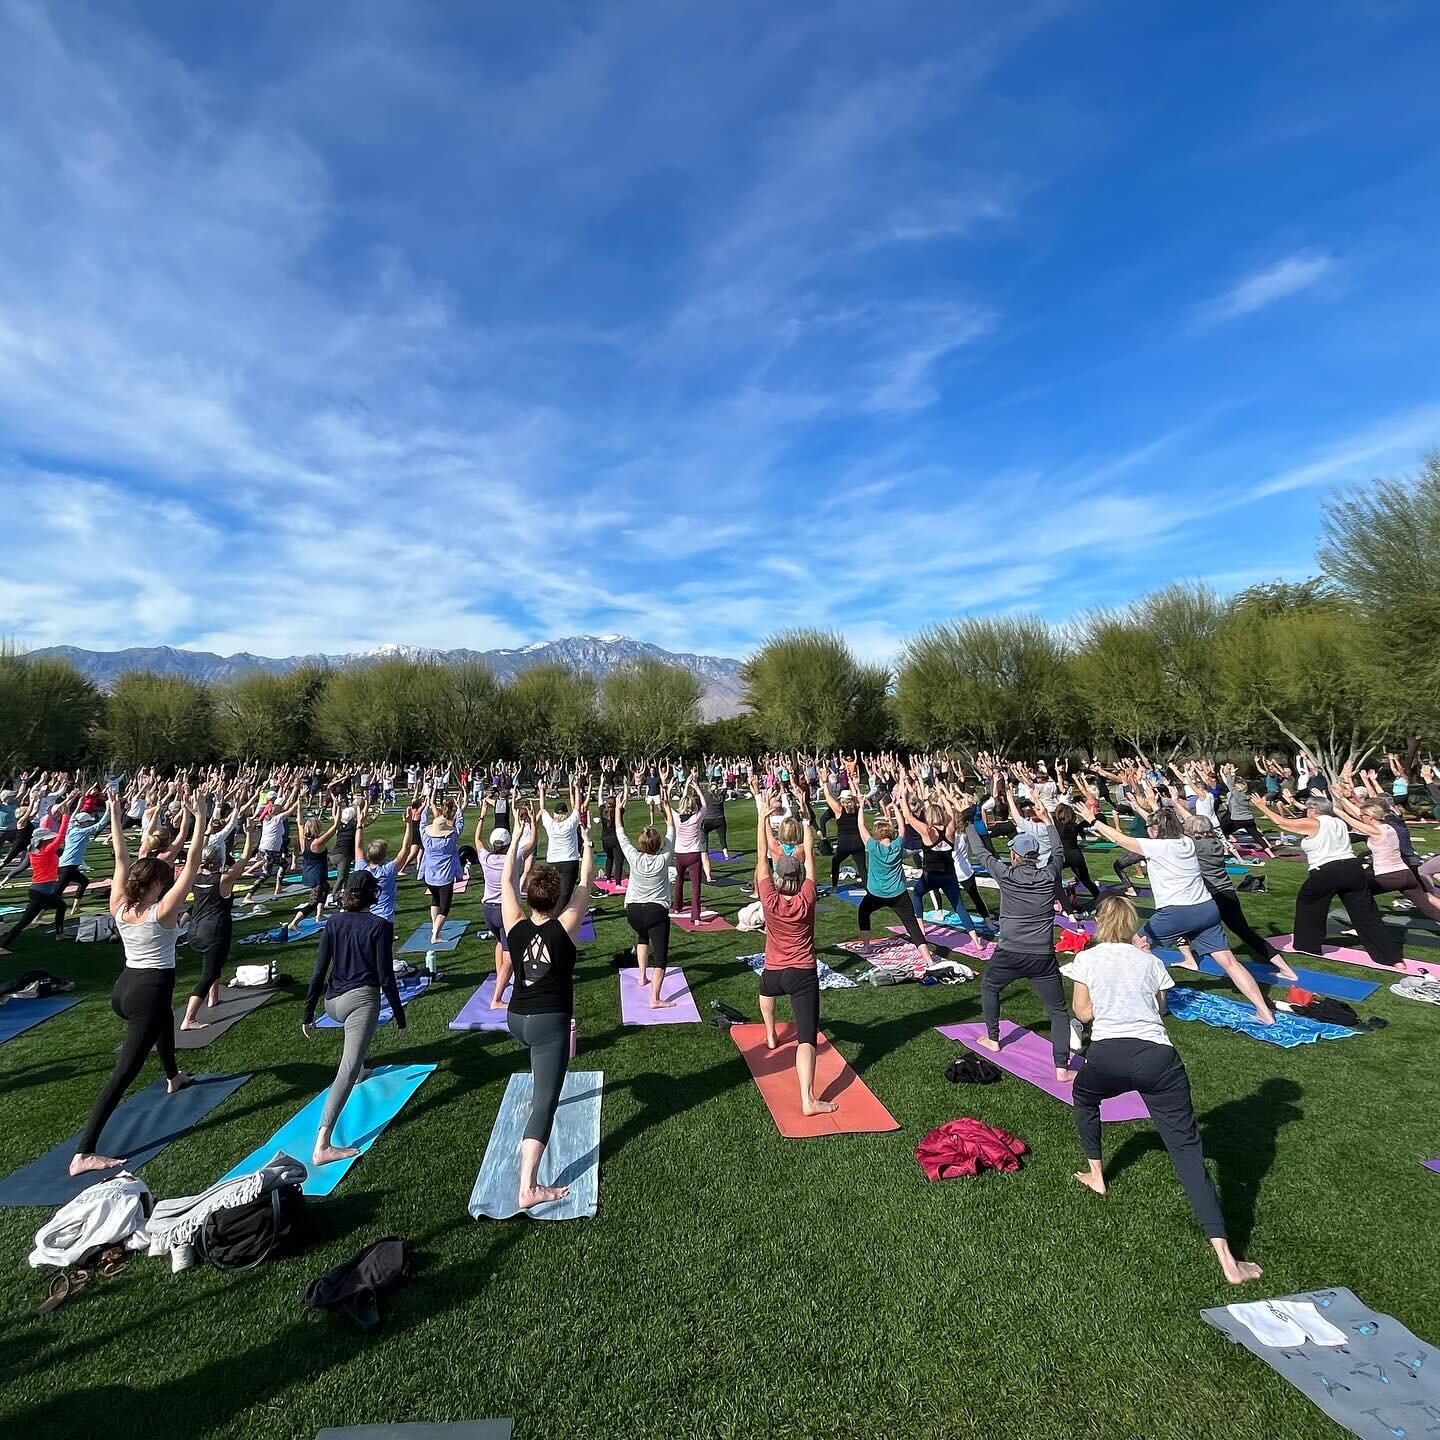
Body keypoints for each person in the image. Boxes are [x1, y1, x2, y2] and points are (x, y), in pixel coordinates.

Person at [1062, 896, 1262, 1285]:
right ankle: (1227, 1260)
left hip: (1107, 1055)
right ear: (1133, 924)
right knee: (1187, 1151)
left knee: (1085, 1098)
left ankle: (1096, 1174)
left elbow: (1083, 1013)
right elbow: (1160, 1009)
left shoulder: (1088, 958)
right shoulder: (1152, 962)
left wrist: (1111, 1003)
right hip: (1157, 1058)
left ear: (1101, 923)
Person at [69, 791, 208, 1177]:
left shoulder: (121, 904)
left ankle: (172, 1076)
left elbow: (120, 858)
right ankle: (84, 1152)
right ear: (158, 885)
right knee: (124, 1073)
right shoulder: (162, 912)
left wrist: (115, 815)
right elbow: (193, 865)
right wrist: (199, 820)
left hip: (127, 987)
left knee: (165, 1020)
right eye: (165, 880)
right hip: (148, 992)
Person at [1083, 794, 1278, 1023]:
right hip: (1206, 909)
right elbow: (1166, 821)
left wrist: (1093, 821)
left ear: (1156, 830)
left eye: (1150, 828)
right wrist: (1161, 807)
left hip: (1175, 912)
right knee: (1230, 962)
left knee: (1138, 948)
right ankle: (1265, 1013)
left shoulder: (1157, 847)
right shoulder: (1186, 841)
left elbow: (1121, 839)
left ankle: (1157, 1004)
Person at [499, 815, 595, 1209]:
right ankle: (529, 1187)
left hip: (515, 1019)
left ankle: (530, 1180)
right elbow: (585, 885)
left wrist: (517, 843)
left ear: (531, 897)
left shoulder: (515, 924)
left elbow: (505, 883)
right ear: (555, 899)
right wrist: (587, 844)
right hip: (547, 1024)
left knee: (541, 1070)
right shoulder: (565, 926)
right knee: (545, 1103)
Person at [963, 801, 1075, 1084]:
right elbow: (1059, 852)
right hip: (1042, 957)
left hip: (1010, 952)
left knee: (990, 986)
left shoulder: (1006, 875)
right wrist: (1048, 820)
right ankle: (1061, 1067)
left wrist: (966, 823)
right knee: (1058, 1011)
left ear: (1014, 856)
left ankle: (993, 1038)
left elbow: (981, 852)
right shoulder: (1050, 875)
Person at [301, 870, 407, 1168]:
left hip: (332, 1004)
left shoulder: (334, 922)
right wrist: (399, 1016)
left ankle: (362, 1069)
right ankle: (322, 1144)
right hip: (360, 1002)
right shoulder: (380, 926)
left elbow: (319, 970)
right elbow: (386, 976)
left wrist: (309, 1013)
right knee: (345, 1070)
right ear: (373, 895)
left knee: (355, 1061)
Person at [1249, 789, 1402, 966]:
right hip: (1353, 870)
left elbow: (1281, 822)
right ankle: (1392, 958)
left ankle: (1308, 946)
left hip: (1327, 871)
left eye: (1308, 809)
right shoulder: (1338, 822)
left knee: (1309, 904)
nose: (1306, 812)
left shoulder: (1315, 822)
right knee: (1367, 914)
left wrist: (1262, 807)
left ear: (1314, 810)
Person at [753, 807, 835, 1116]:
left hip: (774, 973)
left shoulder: (768, 898)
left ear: (776, 878)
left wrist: (762, 818)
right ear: (799, 877)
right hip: (802, 974)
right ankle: (808, 1100)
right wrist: (805, 821)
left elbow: (762, 857)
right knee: (806, 1038)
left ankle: (771, 1033)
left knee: (765, 990)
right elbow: (811, 857)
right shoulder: (808, 896)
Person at [180, 822, 257, 1030]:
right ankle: (189, 1018)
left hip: (195, 931)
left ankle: (214, 998)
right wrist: (249, 834)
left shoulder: (195, 875)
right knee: (208, 974)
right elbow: (245, 858)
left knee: (213, 966)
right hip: (214, 932)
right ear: (218, 861)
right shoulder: (223, 880)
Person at [853, 773, 933, 958]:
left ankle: (866, 946)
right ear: (891, 832)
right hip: (898, 894)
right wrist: (896, 807)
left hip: (877, 893)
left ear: (877, 835)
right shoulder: (898, 845)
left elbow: (860, 826)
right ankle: (928, 959)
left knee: (863, 913)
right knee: (912, 925)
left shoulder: (872, 846)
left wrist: (861, 805)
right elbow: (903, 827)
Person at [895, 787, 984, 948]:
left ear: (929, 816)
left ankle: (921, 928)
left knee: (916, 894)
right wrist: (943, 795)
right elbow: (950, 812)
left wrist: (902, 794)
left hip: (931, 877)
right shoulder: (950, 829)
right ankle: (976, 939)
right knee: (959, 907)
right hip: (949, 876)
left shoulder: (927, 831)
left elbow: (907, 815)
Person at [615, 786, 676, 1008]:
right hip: (655, 912)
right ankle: (654, 999)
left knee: (642, 937)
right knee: (660, 955)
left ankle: (642, 976)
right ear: (658, 845)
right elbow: (671, 828)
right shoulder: (665, 857)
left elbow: (620, 833)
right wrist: (666, 807)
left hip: (633, 912)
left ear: (641, 844)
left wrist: (619, 810)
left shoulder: (634, 857)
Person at [0, 791, 76, 954]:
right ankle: (2, 946)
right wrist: (65, 817)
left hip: (41, 891)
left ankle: (59, 933)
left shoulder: (34, 849)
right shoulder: (47, 851)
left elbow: (43, 830)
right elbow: (60, 835)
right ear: (43, 841)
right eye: (48, 838)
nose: (50, 839)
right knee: (23, 922)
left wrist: (49, 815)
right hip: (40, 893)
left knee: (61, 906)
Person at [418, 794, 465, 965]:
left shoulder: (426, 837)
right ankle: (435, 934)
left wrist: (424, 807)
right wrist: (459, 808)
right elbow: (460, 824)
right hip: (444, 877)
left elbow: (422, 824)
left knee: (435, 900)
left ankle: (434, 927)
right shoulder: (451, 839)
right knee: (444, 908)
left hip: (430, 876)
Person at [287, 799, 339, 936]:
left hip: (309, 872)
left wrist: (299, 807)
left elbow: (299, 822)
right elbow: (334, 829)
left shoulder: (303, 840)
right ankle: (294, 923)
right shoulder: (317, 843)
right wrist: (337, 809)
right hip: (317, 874)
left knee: (326, 888)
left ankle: (319, 915)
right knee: (313, 901)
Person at [537, 777, 583, 913]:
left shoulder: (550, 824)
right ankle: (555, 918)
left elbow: (542, 808)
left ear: (555, 813)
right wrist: (576, 787)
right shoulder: (571, 823)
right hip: (569, 862)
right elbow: (577, 807)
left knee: (554, 891)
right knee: (564, 894)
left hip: (554, 861)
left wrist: (541, 790)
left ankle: (553, 914)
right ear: (565, 813)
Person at [821, 770, 867, 892]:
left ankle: (835, 887)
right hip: (858, 842)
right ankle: (869, 889)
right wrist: (851, 781)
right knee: (862, 867)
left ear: (842, 800)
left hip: (844, 844)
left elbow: (827, 796)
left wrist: (825, 781)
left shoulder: (839, 809)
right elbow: (855, 795)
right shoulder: (857, 807)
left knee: (835, 862)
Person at [670, 777, 706, 924]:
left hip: (680, 854)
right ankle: (695, 917)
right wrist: (696, 788)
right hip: (693, 854)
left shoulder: (677, 818)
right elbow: (704, 804)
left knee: (679, 880)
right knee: (696, 887)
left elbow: (666, 803)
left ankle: (677, 906)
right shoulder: (697, 818)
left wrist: (674, 788)